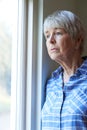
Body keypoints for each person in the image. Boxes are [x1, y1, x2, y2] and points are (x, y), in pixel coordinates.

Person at [42, 10, 87, 130]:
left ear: (77, 40)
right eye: (47, 35)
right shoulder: (51, 84)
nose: (50, 40)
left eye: (58, 33)